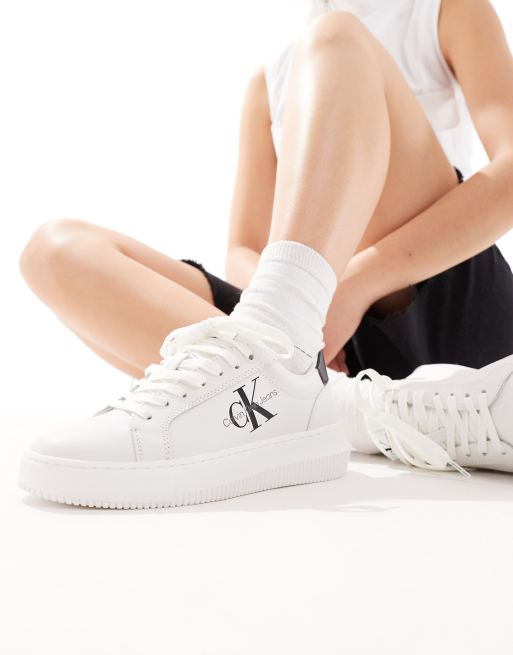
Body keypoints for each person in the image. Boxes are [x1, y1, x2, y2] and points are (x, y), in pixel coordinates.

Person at [18, 0, 513, 508]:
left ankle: (288, 369)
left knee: (335, 41)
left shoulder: (444, 11)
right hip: (323, 339)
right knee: (54, 253)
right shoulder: (269, 81)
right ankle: (335, 404)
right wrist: (300, 313)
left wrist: (352, 285)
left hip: (442, 302)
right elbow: (245, 249)